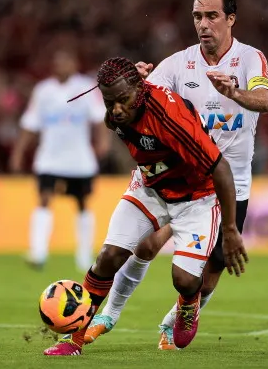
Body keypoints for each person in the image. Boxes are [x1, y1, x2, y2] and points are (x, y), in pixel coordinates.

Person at [86, 0, 268, 349]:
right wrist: (134, 81)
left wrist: (234, 94)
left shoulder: (251, 59)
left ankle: (173, 322)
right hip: (176, 179)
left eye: (212, 16)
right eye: (197, 17)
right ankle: (109, 313)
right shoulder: (178, 63)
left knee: (208, 274)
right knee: (142, 245)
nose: (203, 24)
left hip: (228, 183)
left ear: (231, 19)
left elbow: (264, 101)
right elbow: (139, 102)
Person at [43, 56, 247, 356]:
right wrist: (119, 100)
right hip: (150, 188)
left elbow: (221, 169)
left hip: (196, 197)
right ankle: (75, 339)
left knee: (185, 279)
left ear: (139, 88)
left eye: (123, 100)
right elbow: (113, 117)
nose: (116, 109)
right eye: (110, 101)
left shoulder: (170, 118)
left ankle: (188, 304)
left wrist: (230, 230)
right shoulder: (120, 105)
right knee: (109, 257)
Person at [10, 49, 110, 272]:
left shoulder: (86, 87)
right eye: (59, 61)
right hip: (50, 158)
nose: (62, 65)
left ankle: (84, 256)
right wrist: (18, 152)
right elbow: (30, 122)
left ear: (74, 63)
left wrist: (103, 141)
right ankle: (38, 253)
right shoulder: (43, 90)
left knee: (82, 203)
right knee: (44, 199)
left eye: (66, 60)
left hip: (79, 159)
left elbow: (98, 117)